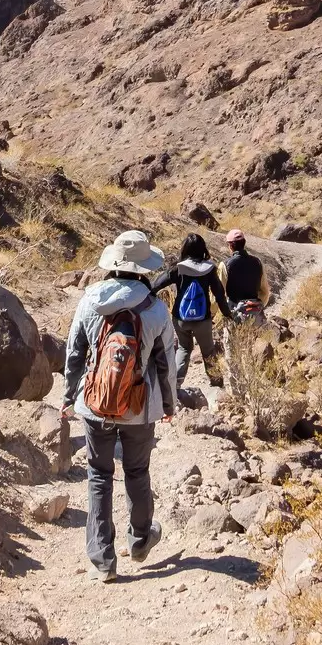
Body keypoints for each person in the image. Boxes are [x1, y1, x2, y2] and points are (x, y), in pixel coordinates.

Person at [61, 229, 180, 582]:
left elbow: (74, 353)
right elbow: (166, 364)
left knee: (99, 476)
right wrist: (169, 403)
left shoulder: (89, 301)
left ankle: (103, 560)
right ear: (144, 268)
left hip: (95, 403)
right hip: (140, 409)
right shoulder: (156, 309)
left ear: (113, 264)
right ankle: (141, 540)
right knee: (137, 472)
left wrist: (70, 396)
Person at [165, 232, 231, 389]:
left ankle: (174, 386)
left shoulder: (178, 269)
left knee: (183, 348)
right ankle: (217, 385)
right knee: (208, 351)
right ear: (203, 249)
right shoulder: (209, 269)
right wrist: (227, 314)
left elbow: (156, 285)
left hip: (180, 319)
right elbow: (220, 294)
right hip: (203, 320)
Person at [222, 229, 266, 315]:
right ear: (244, 242)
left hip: (234, 311)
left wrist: (212, 313)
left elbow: (219, 292)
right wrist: (257, 307)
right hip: (255, 313)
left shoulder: (225, 264)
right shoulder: (258, 262)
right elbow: (265, 292)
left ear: (231, 245)